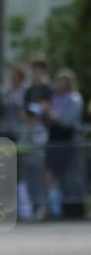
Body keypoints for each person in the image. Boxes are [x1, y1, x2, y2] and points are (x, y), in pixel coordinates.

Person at [41, 69, 84, 219]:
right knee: (51, 176)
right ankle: (53, 209)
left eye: (60, 81)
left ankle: (74, 211)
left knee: (70, 177)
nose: (56, 84)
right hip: (54, 140)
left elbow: (65, 121)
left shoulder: (73, 99)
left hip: (67, 141)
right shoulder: (55, 99)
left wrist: (49, 113)